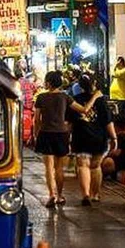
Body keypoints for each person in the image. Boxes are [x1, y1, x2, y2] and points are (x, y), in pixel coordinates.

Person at [34, 70, 92, 209]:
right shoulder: (65, 97)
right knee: (59, 168)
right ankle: (59, 195)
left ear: (48, 83)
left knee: (48, 167)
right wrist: (95, 97)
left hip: (45, 133)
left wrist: (37, 134)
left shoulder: (41, 98)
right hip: (61, 134)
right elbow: (83, 110)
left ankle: (51, 194)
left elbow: (37, 119)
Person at [70, 75, 117, 206]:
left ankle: (85, 193)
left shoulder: (76, 100)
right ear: (94, 83)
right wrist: (114, 137)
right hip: (98, 138)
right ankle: (95, 194)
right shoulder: (101, 101)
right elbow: (108, 121)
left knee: (82, 165)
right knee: (95, 166)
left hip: (81, 137)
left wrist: (67, 137)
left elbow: (70, 122)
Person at [111, 56, 125, 124]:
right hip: (117, 97)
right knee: (119, 115)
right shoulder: (117, 69)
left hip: (123, 97)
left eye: (118, 62)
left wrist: (115, 65)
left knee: (123, 116)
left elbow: (114, 74)